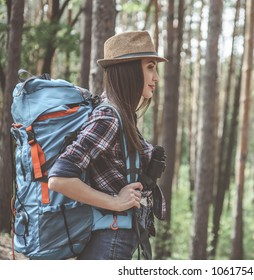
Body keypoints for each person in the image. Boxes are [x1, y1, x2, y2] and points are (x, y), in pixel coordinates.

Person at [48, 31, 167, 260]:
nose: (156, 77)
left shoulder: (122, 115)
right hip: (110, 241)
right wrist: (115, 202)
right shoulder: (109, 117)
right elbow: (59, 178)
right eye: (150, 67)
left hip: (114, 240)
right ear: (129, 70)